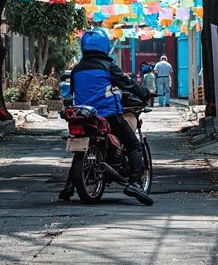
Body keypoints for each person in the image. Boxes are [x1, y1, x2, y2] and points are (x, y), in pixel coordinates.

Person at [60, 28, 153, 205]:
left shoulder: (77, 69)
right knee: (134, 145)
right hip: (108, 115)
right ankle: (135, 183)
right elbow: (129, 84)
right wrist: (145, 93)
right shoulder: (108, 66)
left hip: (83, 116)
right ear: (104, 45)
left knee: (81, 145)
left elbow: (73, 91)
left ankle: (69, 185)